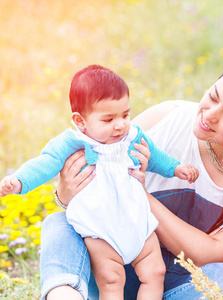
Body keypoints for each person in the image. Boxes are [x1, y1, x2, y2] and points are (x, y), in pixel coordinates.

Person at [39, 53, 223, 299]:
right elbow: (87, 189)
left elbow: (210, 252)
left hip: (187, 289)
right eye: (213, 96)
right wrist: (66, 193)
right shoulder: (167, 119)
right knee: (59, 225)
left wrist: (138, 194)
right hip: (112, 276)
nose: (209, 115)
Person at [0, 65, 199, 300]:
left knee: (155, 272)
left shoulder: (132, 135)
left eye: (125, 115)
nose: (120, 125)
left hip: (137, 221)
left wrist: (176, 168)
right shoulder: (73, 142)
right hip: (100, 229)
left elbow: (155, 156)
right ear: (80, 120)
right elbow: (45, 163)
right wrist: (19, 181)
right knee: (112, 279)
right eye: (108, 119)